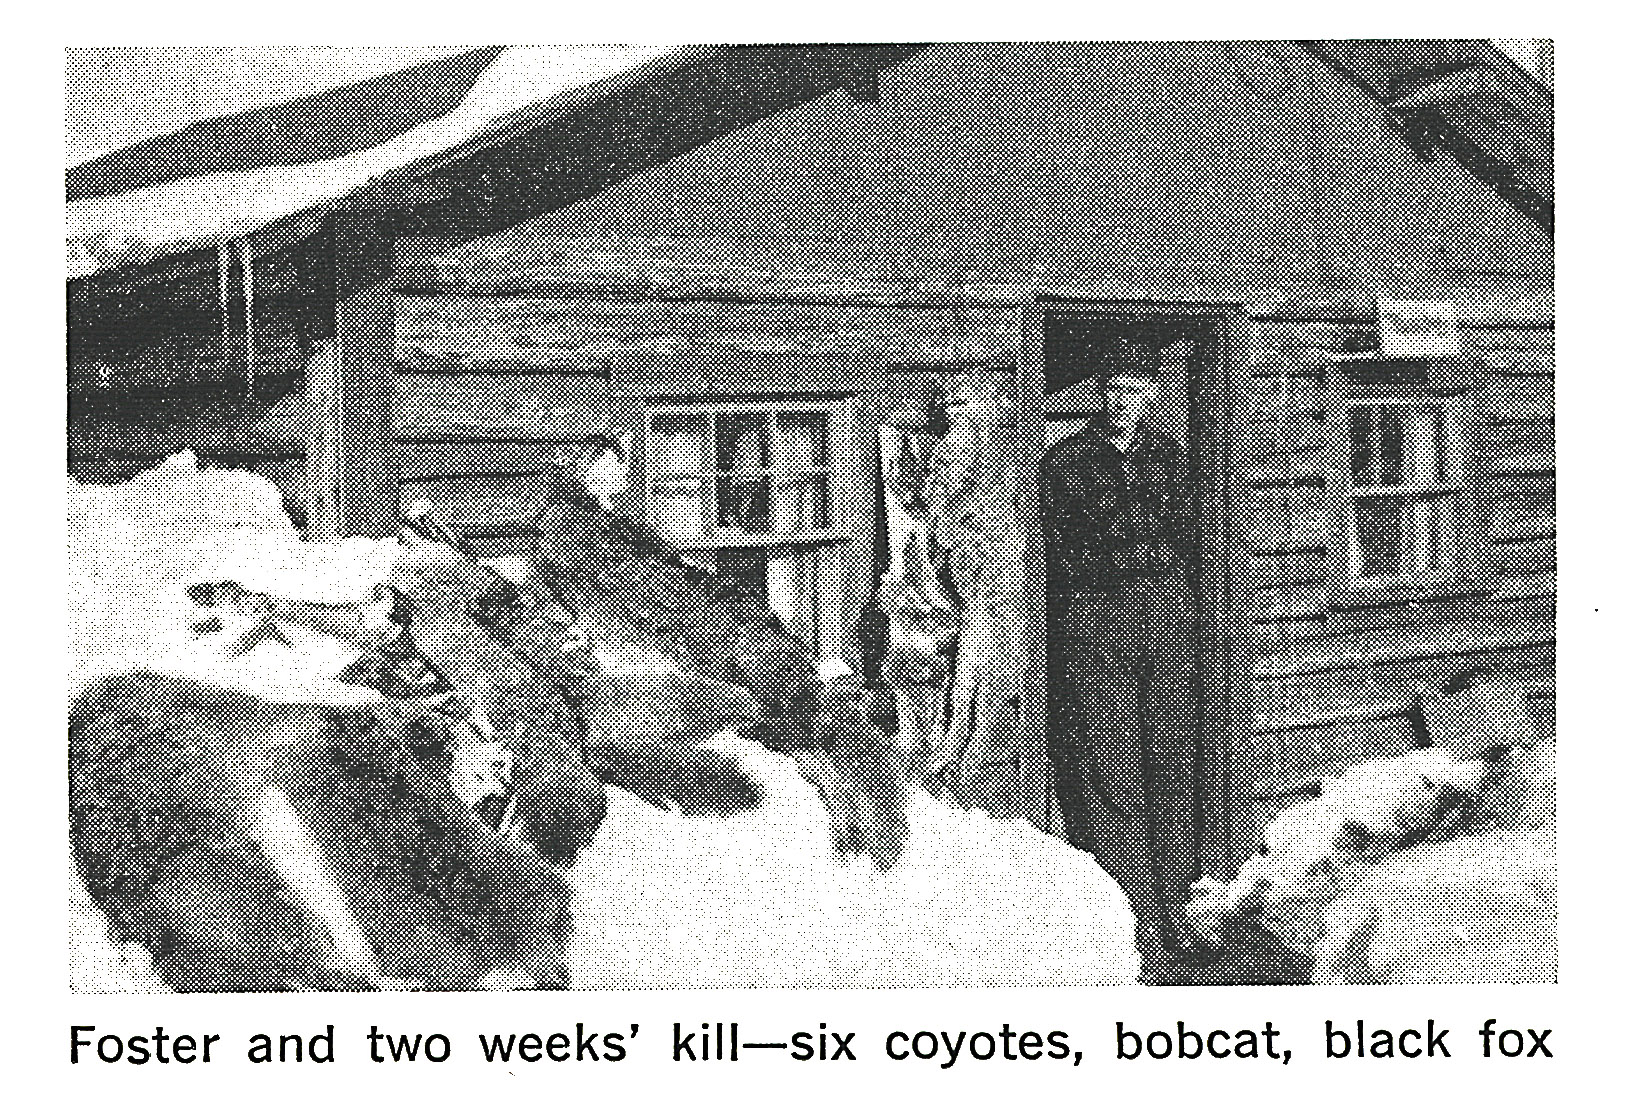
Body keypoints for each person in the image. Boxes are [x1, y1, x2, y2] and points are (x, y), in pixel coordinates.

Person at [1040, 338, 1202, 970]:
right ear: (1107, 397)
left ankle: (1176, 919)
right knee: (1107, 775)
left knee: (1171, 778)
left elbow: (1188, 550)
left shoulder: (1179, 470)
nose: (1146, 401)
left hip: (1165, 641)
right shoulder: (1071, 466)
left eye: (1159, 390)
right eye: (1132, 388)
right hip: (1095, 644)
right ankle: (1133, 922)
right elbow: (1089, 551)